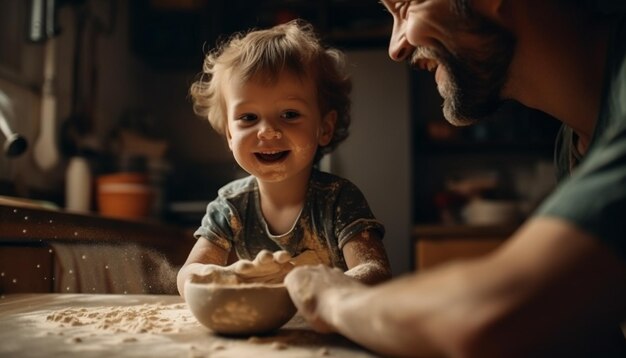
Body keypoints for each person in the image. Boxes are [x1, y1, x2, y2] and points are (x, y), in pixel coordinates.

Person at [284, 1, 626, 357]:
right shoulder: (573, 145)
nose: (396, 46)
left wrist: (332, 298)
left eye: (405, 5)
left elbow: (485, 317)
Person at [176, 20, 392, 298]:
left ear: (324, 128)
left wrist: (316, 285)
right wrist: (218, 275)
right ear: (230, 134)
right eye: (248, 118)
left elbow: (375, 271)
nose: (267, 131)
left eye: (289, 114)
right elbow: (189, 274)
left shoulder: (338, 200)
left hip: (330, 329)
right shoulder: (230, 207)